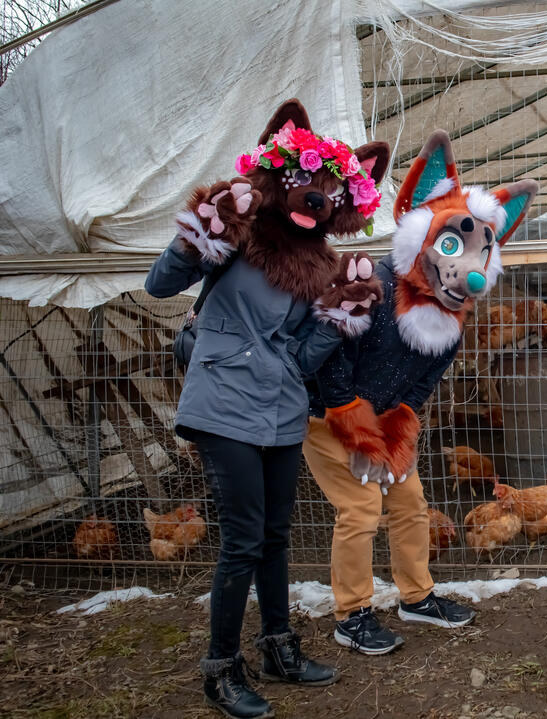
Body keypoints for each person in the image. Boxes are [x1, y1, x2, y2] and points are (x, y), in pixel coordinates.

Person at [145, 99, 389, 719]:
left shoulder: (322, 267)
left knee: (277, 537)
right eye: (308, 185)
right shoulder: (241, 232)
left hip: (280, 409)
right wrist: (202, 232)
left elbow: (302, 359)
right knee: (243, 540)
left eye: (331, 194)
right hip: (223, 401)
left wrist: (341, 319)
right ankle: (221, 669)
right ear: (282, 179)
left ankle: (279, 645)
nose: (319, 199)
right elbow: (160, 285)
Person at [303, 130, 538, 654]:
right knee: (361, 509)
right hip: (328, 414)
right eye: (453, 244)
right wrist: (355, 427)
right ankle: (352, 614)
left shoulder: (450, 317)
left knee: (410, 503)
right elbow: (331, 362)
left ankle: (416, 596)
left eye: (480, 252)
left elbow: (427, 379)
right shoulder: (375, 288)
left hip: (386, 416)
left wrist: (400, 424)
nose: (467, 271)